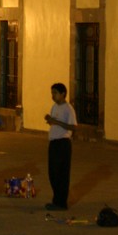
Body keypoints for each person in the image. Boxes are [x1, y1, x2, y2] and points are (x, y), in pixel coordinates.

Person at [44, 82, 77, 211]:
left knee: (61, 173)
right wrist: (50, 120)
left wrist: (55, 121)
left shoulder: (68, 108)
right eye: (52, 93)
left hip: (63, 143)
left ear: (63, 94)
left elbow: (73, 127)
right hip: (53, 142)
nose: (53, 96)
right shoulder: (54, 107)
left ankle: (61, 202)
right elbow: (54, 123)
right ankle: (56, 199)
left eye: (55, 93)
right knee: (52, 173)